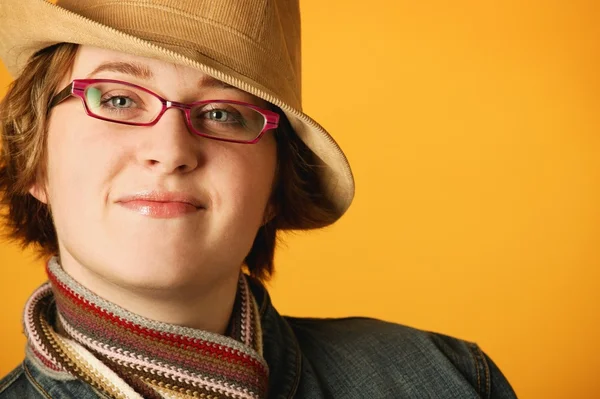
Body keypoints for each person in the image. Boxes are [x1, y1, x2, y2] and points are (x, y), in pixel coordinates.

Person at [0, 1, 517, 398]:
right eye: (117, 99)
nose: (171, 149)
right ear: (34, 158)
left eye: (225, 113)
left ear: (274, 185)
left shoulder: (445, 380)